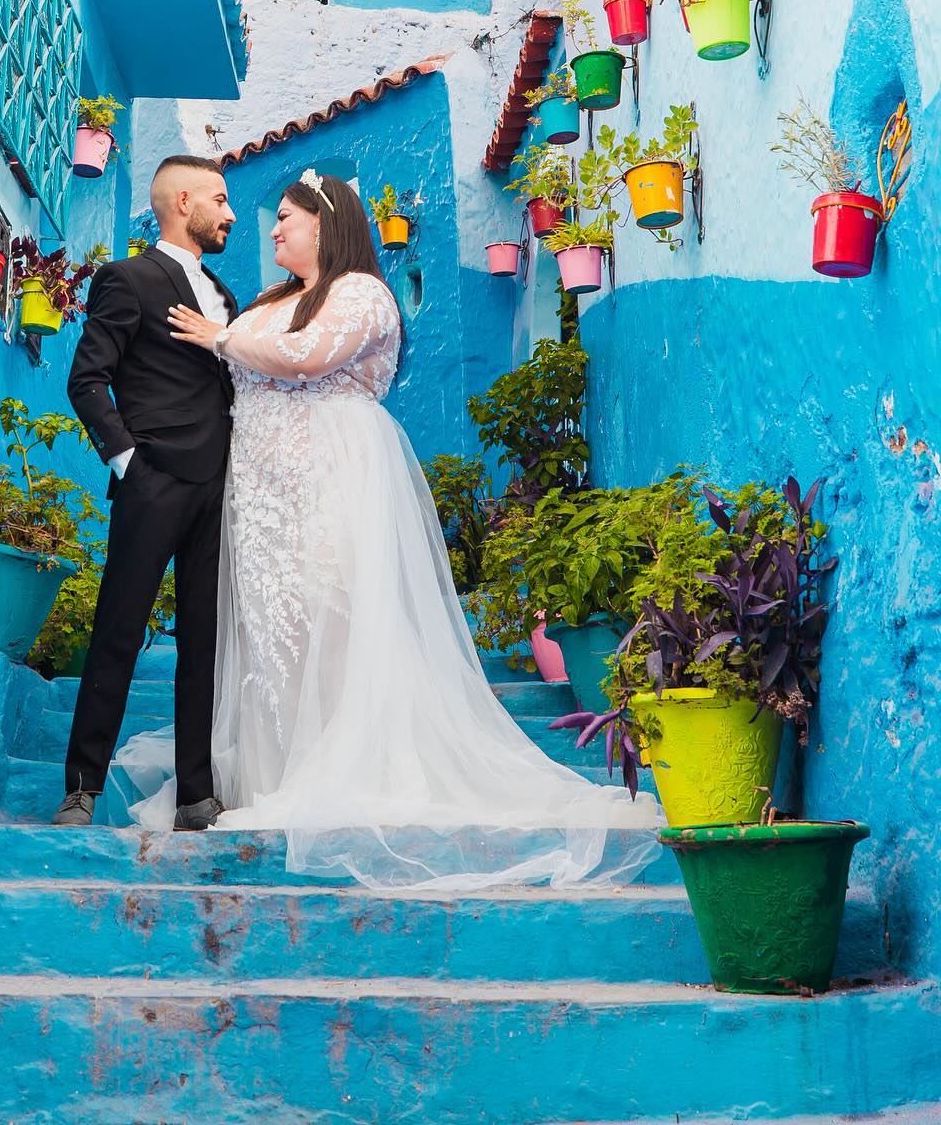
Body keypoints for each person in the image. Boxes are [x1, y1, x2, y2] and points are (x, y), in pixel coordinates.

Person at [120, 167, 662, 891]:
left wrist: (219, 339)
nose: (273, 228)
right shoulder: (269, 300)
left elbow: (308, 357)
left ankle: (342, 771)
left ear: (326, 223)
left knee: (335, 624)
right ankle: (270, 775)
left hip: (331, 486)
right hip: (262, 504)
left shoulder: (364, 295)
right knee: (274, 638)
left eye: (286, 216)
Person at [55, 156, 238, 831]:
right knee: (118, 633)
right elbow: (86, 379)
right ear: (181, 201)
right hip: (154, 480)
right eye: (219, 199)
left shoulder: (223, 293)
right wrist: (129, 460)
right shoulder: (127, 280)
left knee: (204, 641)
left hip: (220, 487)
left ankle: (196, 793)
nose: (230, 212)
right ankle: (81, 787)